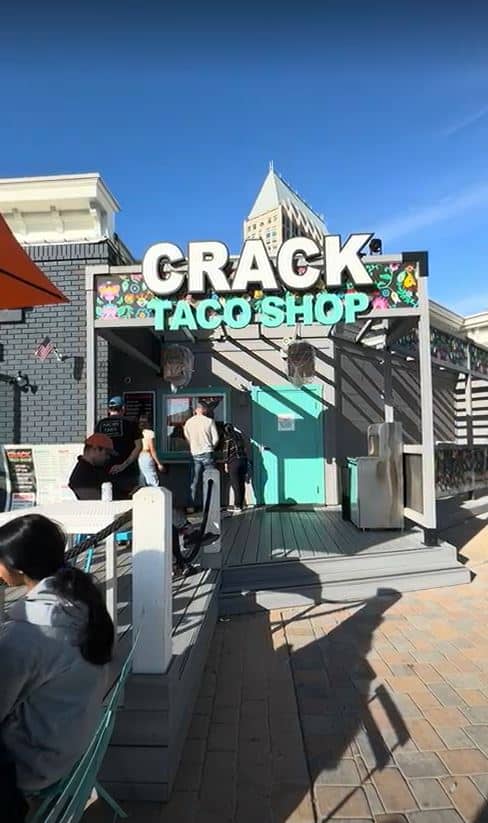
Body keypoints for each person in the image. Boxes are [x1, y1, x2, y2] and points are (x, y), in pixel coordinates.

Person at [0, 514, 114, 818]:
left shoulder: (26, 635)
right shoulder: (80, 601)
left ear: (18, 568)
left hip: (33, 766)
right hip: (69, 746)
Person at [95, 396, 142, 499]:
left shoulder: (100, 425)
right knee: (130, 503)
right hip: (129, 472)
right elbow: (138, 447)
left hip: (106, 471)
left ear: (108, 409)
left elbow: (96, 448)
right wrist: (123, 465)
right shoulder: (131, 423)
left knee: (109, 501)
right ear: (123, 408)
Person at [183, 402, 219, 512]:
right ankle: (210, 506)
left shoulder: (188, 422)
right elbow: (216, 438)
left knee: (194, 481)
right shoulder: (209, 421)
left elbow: (187, 437)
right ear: (203, 409)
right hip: (207, 452)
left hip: (194, 453)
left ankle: (191, 507)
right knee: (210, 480)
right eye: (206, 409)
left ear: (196, 410)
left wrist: (192, 446)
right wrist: (211, 446)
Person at [68, 432, 114, 500]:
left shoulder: (93, 469)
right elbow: (97, 502)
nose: (108, 457)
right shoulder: (83, 474)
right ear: (95, 449)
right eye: (107, 453)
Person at [223, 423, 249, 512]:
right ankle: (241, 505)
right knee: (241, 484)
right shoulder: (239, 436)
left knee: (236, 484)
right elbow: (245, 450)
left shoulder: (228, 438)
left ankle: (237, 506)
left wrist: (225, 463)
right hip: (243, 461)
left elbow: (226, 452)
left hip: (234, 463)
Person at [138, 415, 165, 486]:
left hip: (140, 457)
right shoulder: (150, 433)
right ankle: (155, 495)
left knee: (143, 478)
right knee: (152, 478)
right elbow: (152, 449)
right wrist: (159, 463)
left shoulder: (138, 433)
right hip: (147, 455)